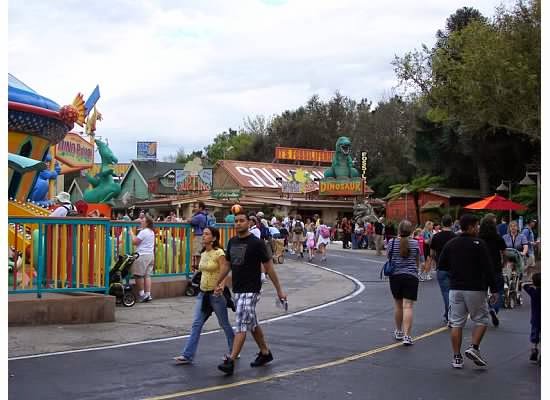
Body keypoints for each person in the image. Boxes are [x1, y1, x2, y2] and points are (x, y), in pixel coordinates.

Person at [215, 210, 287, 376]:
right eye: (236, 221)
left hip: (252, 289)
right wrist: (219, 282)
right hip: (238, 289)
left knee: (241, 323)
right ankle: (265, 353)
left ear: (249, 223)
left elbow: (269, 268)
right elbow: (227, 265)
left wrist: (279, 290)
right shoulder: (232, 242)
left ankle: (231, 360)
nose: (238, 223)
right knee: (251, 323)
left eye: (242, 220)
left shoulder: (257, 243)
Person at [438, 214, 498, 369]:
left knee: (456, 323)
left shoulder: (451, 243)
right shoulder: (479, 244)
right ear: (471, 227)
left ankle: (456, 357)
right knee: (481, 319)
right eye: (476, 226)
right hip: (475, 287)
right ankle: (474, 347)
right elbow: (488, 268)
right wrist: (494, 288)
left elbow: (442, 264)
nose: (478, 228)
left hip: (455, 287)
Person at [174, 227, 235, 364]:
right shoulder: (203, 253)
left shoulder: (219, 253)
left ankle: (234, 350)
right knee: (197, 323)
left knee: (224, 323)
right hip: (203, 293)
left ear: (214, 238)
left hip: (216, 294)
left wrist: (221, 285)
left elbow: (225, 270)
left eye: (207, 234)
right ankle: (187, 355)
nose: (203, 236)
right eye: (203, 234)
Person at [386, 220, 420, 346]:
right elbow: (418, 260)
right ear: (411, 231)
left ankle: (399, 331)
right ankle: (407, 336)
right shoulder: (415, 243)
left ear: (399, 230)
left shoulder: (392, 242)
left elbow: (388, 256)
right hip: (411, 276)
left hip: (395, 276)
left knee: (398, 305)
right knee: (408, 306)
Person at [478, 216, 507, 327]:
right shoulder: (498, 237)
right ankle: (494, 308)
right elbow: (504, 252)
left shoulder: (479, 238)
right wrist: (504, 262)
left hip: (482, 268)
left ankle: (486, 308)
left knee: (482, 291)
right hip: (495, 267)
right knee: (499, 290)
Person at [429, 215, 456, 325]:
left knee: (446, 292)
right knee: (453, 293)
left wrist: (436, 260)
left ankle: (449, 315)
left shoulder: (436, 237)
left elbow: (431, 253)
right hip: (453, 267)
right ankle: (448, 314)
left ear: (441, 223)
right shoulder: (455, 236)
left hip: (441, 266)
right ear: (452, 223)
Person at [129, 215, 156, 302]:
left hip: (142, 255)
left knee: (138, 275)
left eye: (143, 221)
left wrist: (131, 234)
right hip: (150, 255)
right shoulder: (151, 232)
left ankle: (142, 295)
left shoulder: (143, 232)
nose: (141, 222)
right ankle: (148, 294)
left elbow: (135, 242)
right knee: (147, 275)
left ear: (147, 223)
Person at [523, 271, 541, 363]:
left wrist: (532, 283)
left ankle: (534, 349)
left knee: (535, 335)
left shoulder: (533, 292)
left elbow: (524, 285)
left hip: (535, 318)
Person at [190, 202, 208, 271]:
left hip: (199, 235)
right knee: (202, 253)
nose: (194, 208)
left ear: (200, 208)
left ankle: (199, 271)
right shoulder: (205, 215)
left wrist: (191, 218)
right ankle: (201, 270)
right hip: (203, 235)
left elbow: (190, 221)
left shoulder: (199, 216)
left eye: (196, 207)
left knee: (198, 254)